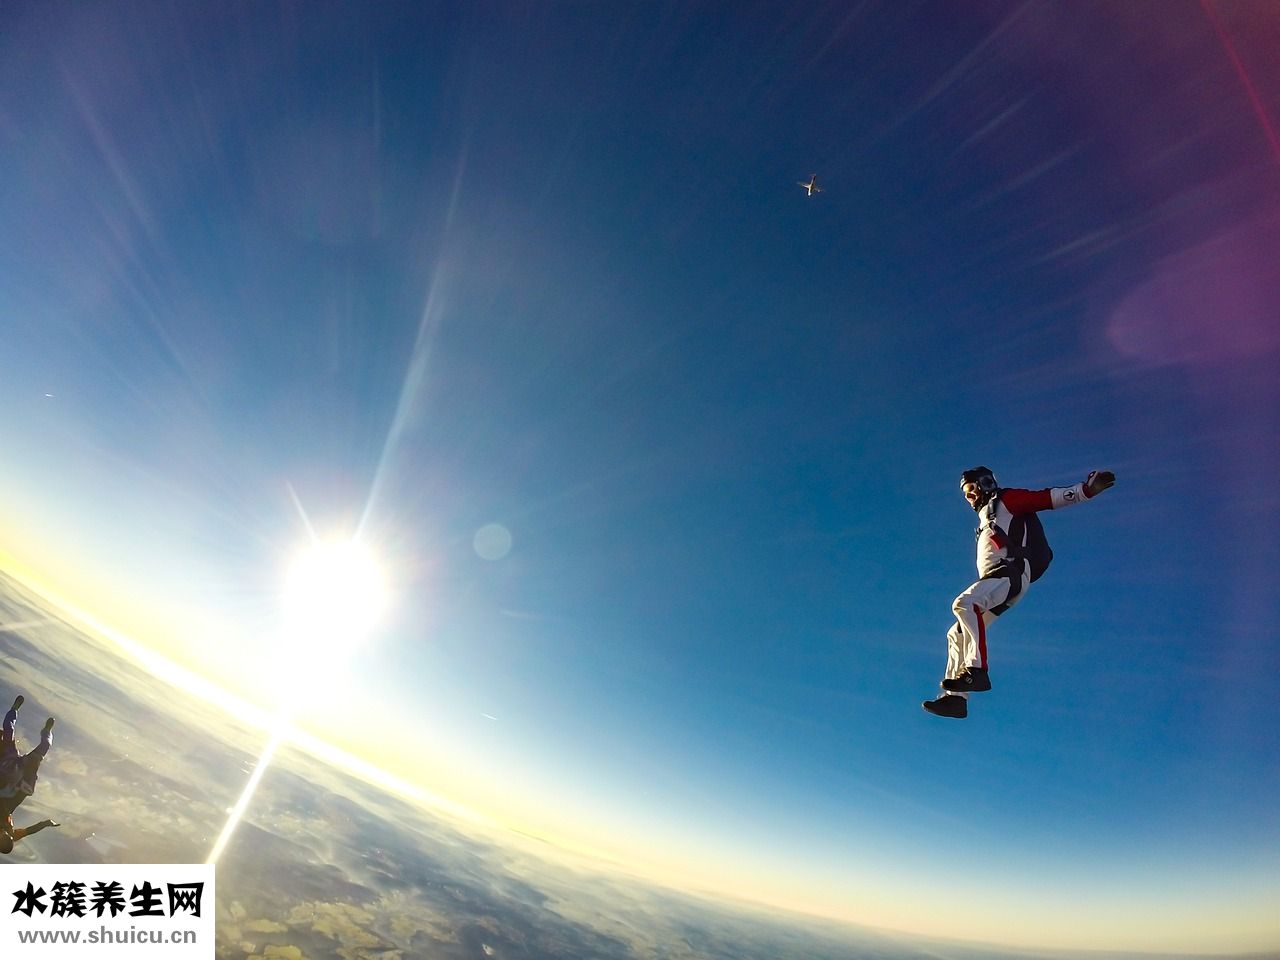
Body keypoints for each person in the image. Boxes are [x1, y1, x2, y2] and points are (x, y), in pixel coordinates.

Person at [923, 466, 1116, 719]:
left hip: (1009, 573)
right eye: (965, 493)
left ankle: (976, 670)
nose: (969, 497)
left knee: (964, 604)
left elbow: (1044, 498)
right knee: (956, 634)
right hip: (999, 579)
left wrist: (1085, 491)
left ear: (985, 484)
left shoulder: (1005, 500)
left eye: (971, 489)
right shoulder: (987, 517)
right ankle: (956, 700)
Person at [0, 694, 59, 852]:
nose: (4, 833)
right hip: (19, 787)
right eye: (5, 836)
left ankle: (14, 710)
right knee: (44, 748)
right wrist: (46, 823)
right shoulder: (12, 834)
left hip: (6, 777)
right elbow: (29, 831)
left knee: (8, 731)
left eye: (1, 837)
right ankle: (47, 732)